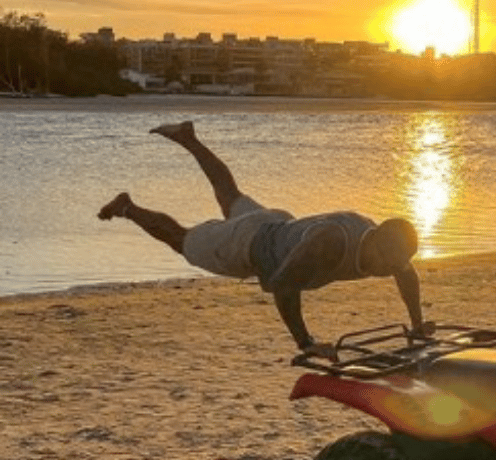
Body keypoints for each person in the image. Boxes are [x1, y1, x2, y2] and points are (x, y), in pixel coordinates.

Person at [98, 120, 431, 360]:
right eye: (384, 263)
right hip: (248, 244)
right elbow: (284, 283)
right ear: (376, 241)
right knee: (181, 240)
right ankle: (128, 207)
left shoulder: (384, 244)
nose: (383, 271)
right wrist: (306, 343)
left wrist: (416, 325)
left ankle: (188, 138)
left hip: (279, 224)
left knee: (229, 194)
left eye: (391, 266)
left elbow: (406, 272)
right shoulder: (331, 244)